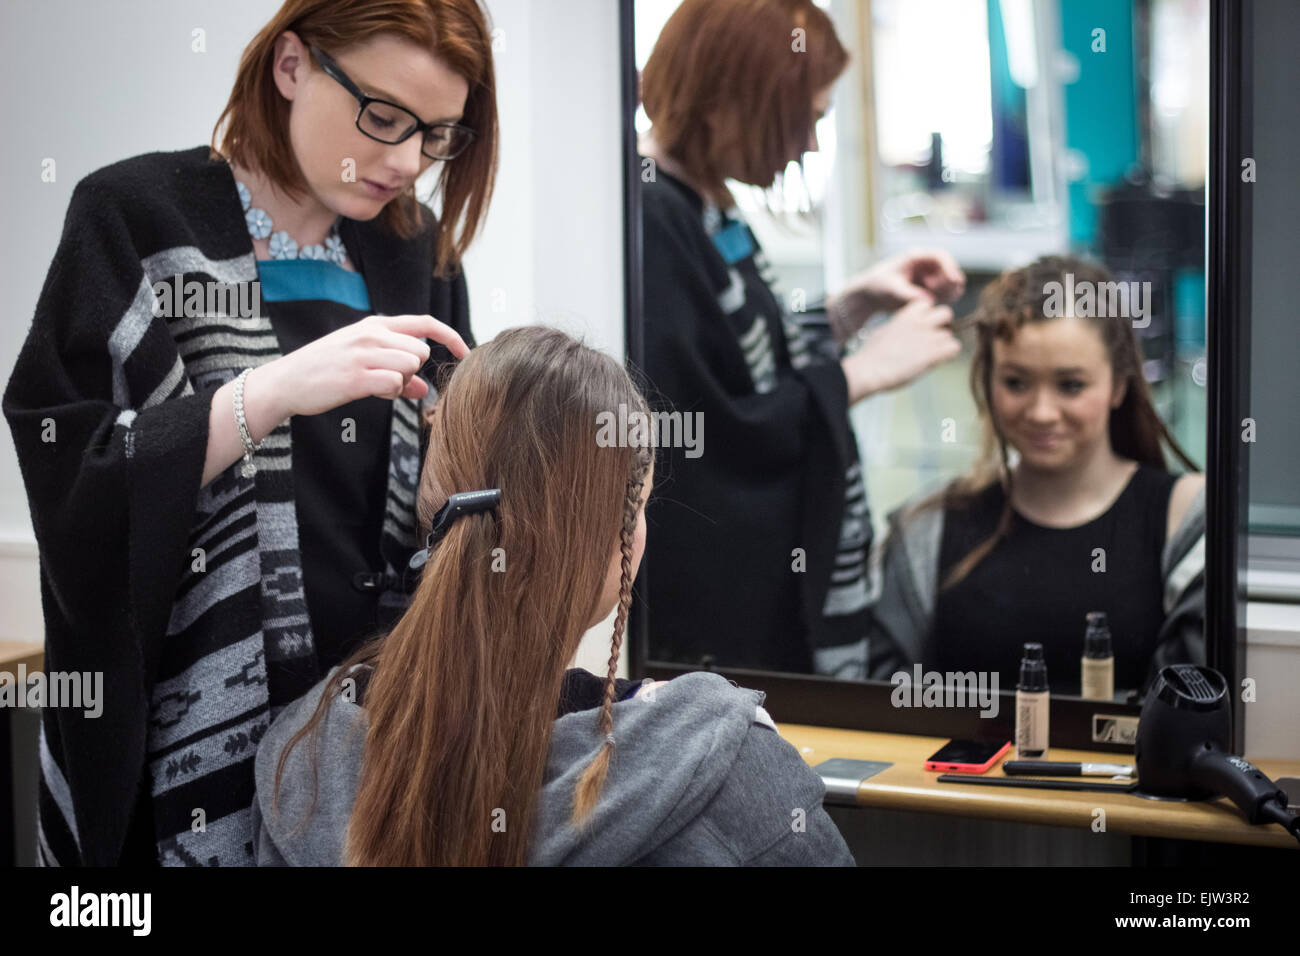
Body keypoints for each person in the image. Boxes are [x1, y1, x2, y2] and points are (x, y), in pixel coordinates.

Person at [2, 0, 499, 866]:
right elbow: (72, 480)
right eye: (381, 116)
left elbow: (445, 501)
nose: (403, 160)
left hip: (364, 750)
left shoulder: (414, 254)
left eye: (437, 135)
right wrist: (262, 396)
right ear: (292, 66)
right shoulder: (135, 219)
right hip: (179, 743)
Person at [250, 326, 856, 866]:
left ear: (431, 510)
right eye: (639, 507)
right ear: (617, 540)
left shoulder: (305, 760)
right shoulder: (721, 768)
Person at [637, 0, 965, 678]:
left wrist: (850, 308)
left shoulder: (706, 203)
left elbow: (744, 359)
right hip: (710, 628)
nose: (810, 144)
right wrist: (859, 374)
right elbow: (709, 435)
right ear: (730, 102)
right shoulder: (653, 216)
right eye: (806, 119)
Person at [866, 256, 1206, 697]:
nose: (1042, 413)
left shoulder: (1186, 521)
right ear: (987, 380)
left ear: (1119, 385)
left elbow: (1188, 718)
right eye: (1016, 382)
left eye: (1070, 385)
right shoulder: (926, 530)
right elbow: (883, 709)